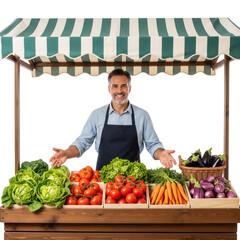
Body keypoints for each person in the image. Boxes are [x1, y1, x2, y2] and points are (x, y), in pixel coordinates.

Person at [49, 69, 176, 170]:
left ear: (129, 88)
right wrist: (66, 153)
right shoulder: (97, 115)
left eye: (124, 86)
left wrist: (162, 154)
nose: (119, 91)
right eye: (115, 86)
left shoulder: (142, 115)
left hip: (132, 183)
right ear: (109, 89)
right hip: (104, 180)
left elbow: (153, 145)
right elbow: (82, 142)